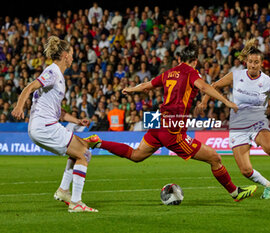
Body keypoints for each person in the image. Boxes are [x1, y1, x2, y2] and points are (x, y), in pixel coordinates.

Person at [85, 43, 257, 202]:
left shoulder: (169, 73)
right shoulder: (191, 72)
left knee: (136, 155)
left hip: (159, 124)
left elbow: (147, 86)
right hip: (173, 132)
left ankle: (99, 142)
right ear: (195, 60)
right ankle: (235, 193)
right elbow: (204, 87)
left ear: (180, 59)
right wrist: (227, 102)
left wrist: (131, 89)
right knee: (215, 158)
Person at [198, 38, 270, 200]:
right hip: (238, 126)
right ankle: (268, 185)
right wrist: (204, 101)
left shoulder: (267, 82)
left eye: (256, 62)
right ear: (246, 62)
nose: (253, 65)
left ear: (261, 64)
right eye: (251, 62)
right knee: (245, 171)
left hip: (257, 121)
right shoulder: (236, 75)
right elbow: (215, 86)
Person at [11, 36, 97, 213]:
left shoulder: (57, 76)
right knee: (84, 154)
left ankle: (64, 190)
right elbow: (29, 87)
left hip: (45, 125)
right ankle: (76, 202)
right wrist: (19, 106)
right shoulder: (53, 72)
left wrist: (77, 121)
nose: (73, 57)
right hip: (45, 126)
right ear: (65, 55)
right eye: (72, 54)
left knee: (80, 148)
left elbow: (60, 111)